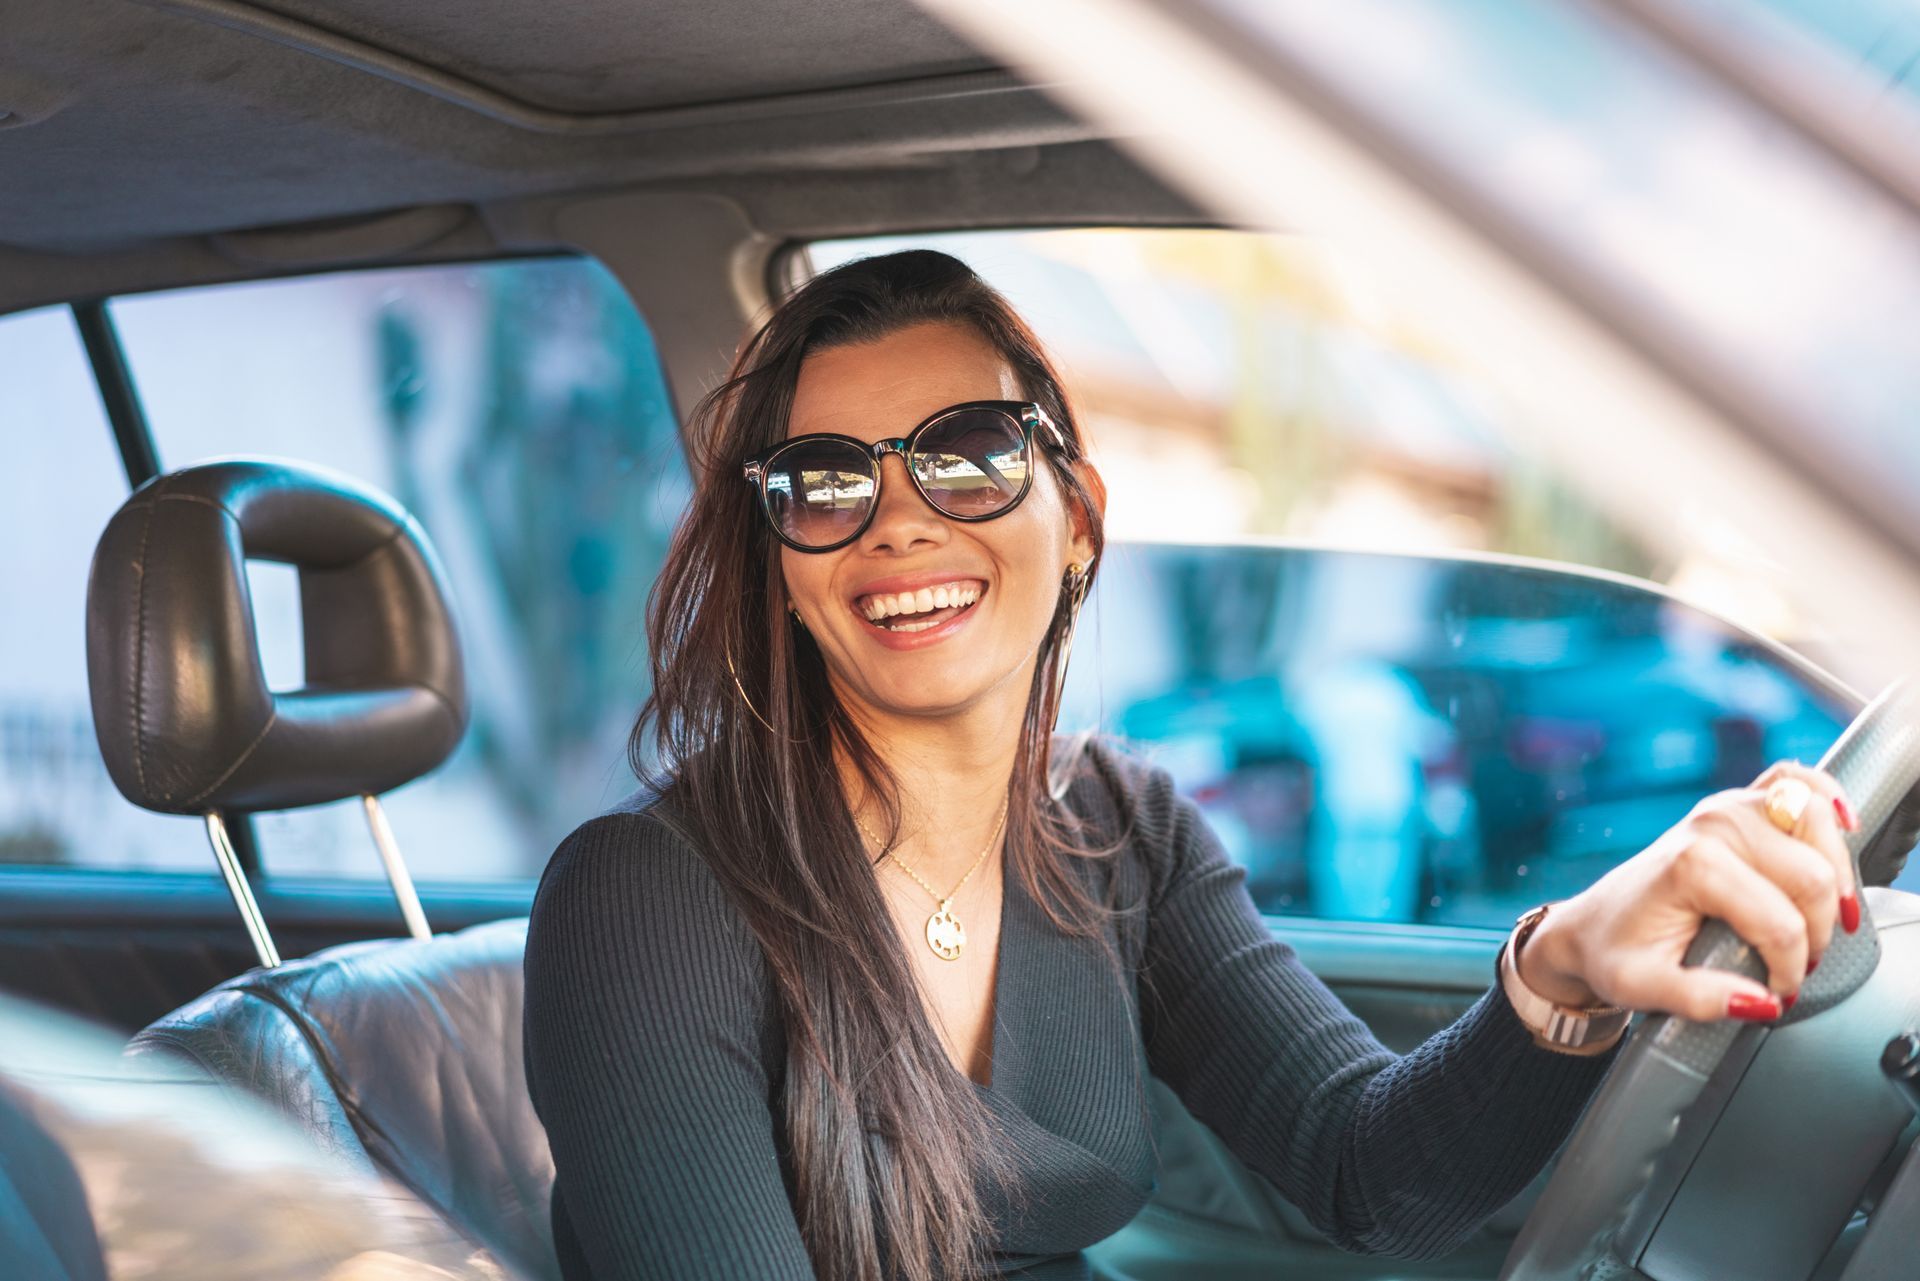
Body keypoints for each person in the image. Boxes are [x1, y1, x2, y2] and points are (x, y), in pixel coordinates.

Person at [522, 250, 1860, 1281]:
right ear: (784, 565)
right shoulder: (643, 901)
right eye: (823, 484)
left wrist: (1566, 962)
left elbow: (1368, 1168)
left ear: (1079, 518)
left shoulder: (1116, 827)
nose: (899, 522)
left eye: (970, 456)